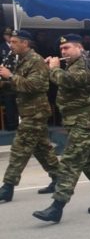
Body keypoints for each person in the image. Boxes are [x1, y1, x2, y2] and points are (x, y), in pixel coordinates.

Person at [32, 34, 90, 223]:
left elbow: (70, 81)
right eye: (61, 49)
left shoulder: (86, 63)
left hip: (85, 121)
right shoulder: (74, 63)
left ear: (79, 48)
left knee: (71, 161)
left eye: (67, 48)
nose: (63, 52)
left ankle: (57, 206)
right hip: (76, 119)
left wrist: (54, 69)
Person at [0, 30, 60, 203]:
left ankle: (7, 187)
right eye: (10, 41)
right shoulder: (22, 60)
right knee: (42, 149)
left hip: (36, 112)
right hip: (28, 111)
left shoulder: (36, 61)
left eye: (14, 42)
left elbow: (36, 86)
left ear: (25, 43)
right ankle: (58, 178)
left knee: (19, 148)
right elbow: (18, 85)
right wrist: (5, 82)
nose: (10, 45)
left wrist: (10, 76)